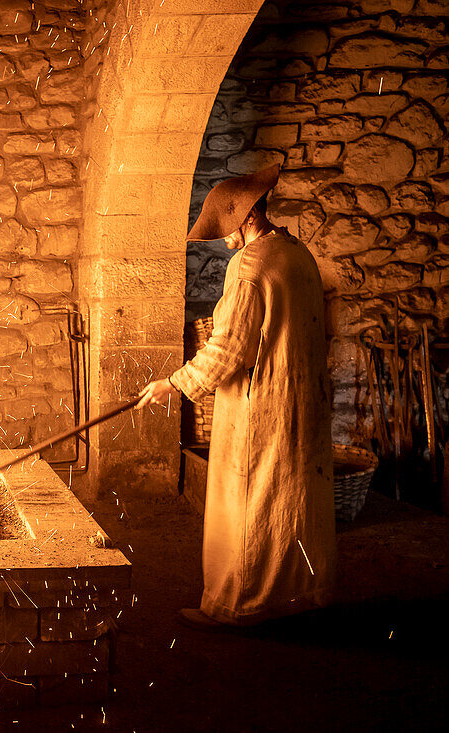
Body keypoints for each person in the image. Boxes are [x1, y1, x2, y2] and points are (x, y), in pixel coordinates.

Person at [138, 165, 336, 630]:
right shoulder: (297, 253)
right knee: (291, 500)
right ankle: (297, 596)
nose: (223, 240)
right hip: (301, 401)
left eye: (226, 229)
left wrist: (174, 384)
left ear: (246, 217)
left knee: (250, 501)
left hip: (262, 405)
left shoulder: (250, 266)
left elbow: (229, 351)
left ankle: (237, 605)